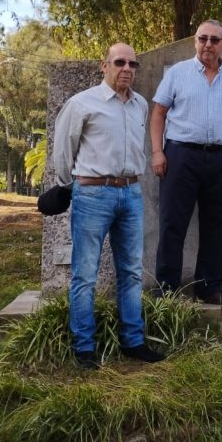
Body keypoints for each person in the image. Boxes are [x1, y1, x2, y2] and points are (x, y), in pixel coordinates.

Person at [53, 42, 164, 369]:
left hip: (130, 194)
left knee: (131, 272)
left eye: (133, 64)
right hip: (92, 195)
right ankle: (84, 347)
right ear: (105, 66)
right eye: (119, 62)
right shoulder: (82, 104)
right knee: (84, 274)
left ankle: (133, 341)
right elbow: (63, 151)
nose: (127, 68)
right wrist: (66, 186)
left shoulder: (140, 105)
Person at [150, 19, 222, 305]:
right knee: (172, 223)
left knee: (216, 224)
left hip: (221, 157)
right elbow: (158, 113)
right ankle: (167, 289)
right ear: (195, 41)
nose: (208, 44)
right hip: (180, 155)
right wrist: (157, 152)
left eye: (214, 40)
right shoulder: (177, 74)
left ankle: (209, 287)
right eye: (202, 38)